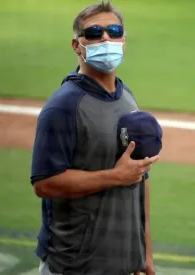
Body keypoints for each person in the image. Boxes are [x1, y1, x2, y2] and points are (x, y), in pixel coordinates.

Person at [30, 1, 158, 274]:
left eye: (114, 31)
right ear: (77, 45)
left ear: (124, 40)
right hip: (74, 265)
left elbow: (139, 177)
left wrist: (143, 254)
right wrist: (116, 176)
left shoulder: (127, 98)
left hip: (123, 262)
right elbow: (44, 184)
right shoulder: (63, 107)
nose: (106, 38)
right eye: (94, 33)